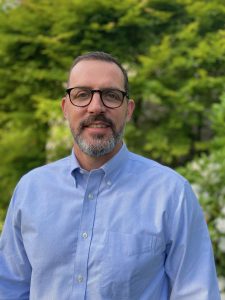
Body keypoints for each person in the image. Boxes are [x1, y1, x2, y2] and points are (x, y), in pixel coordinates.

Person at [0, 51, 220, 300]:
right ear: (65, 107)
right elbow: (9, 289)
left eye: (111, 96)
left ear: (128, 109)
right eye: (82, 94)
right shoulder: (31, 190)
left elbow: (196, 294)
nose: (96, 107)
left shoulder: (171, 193)